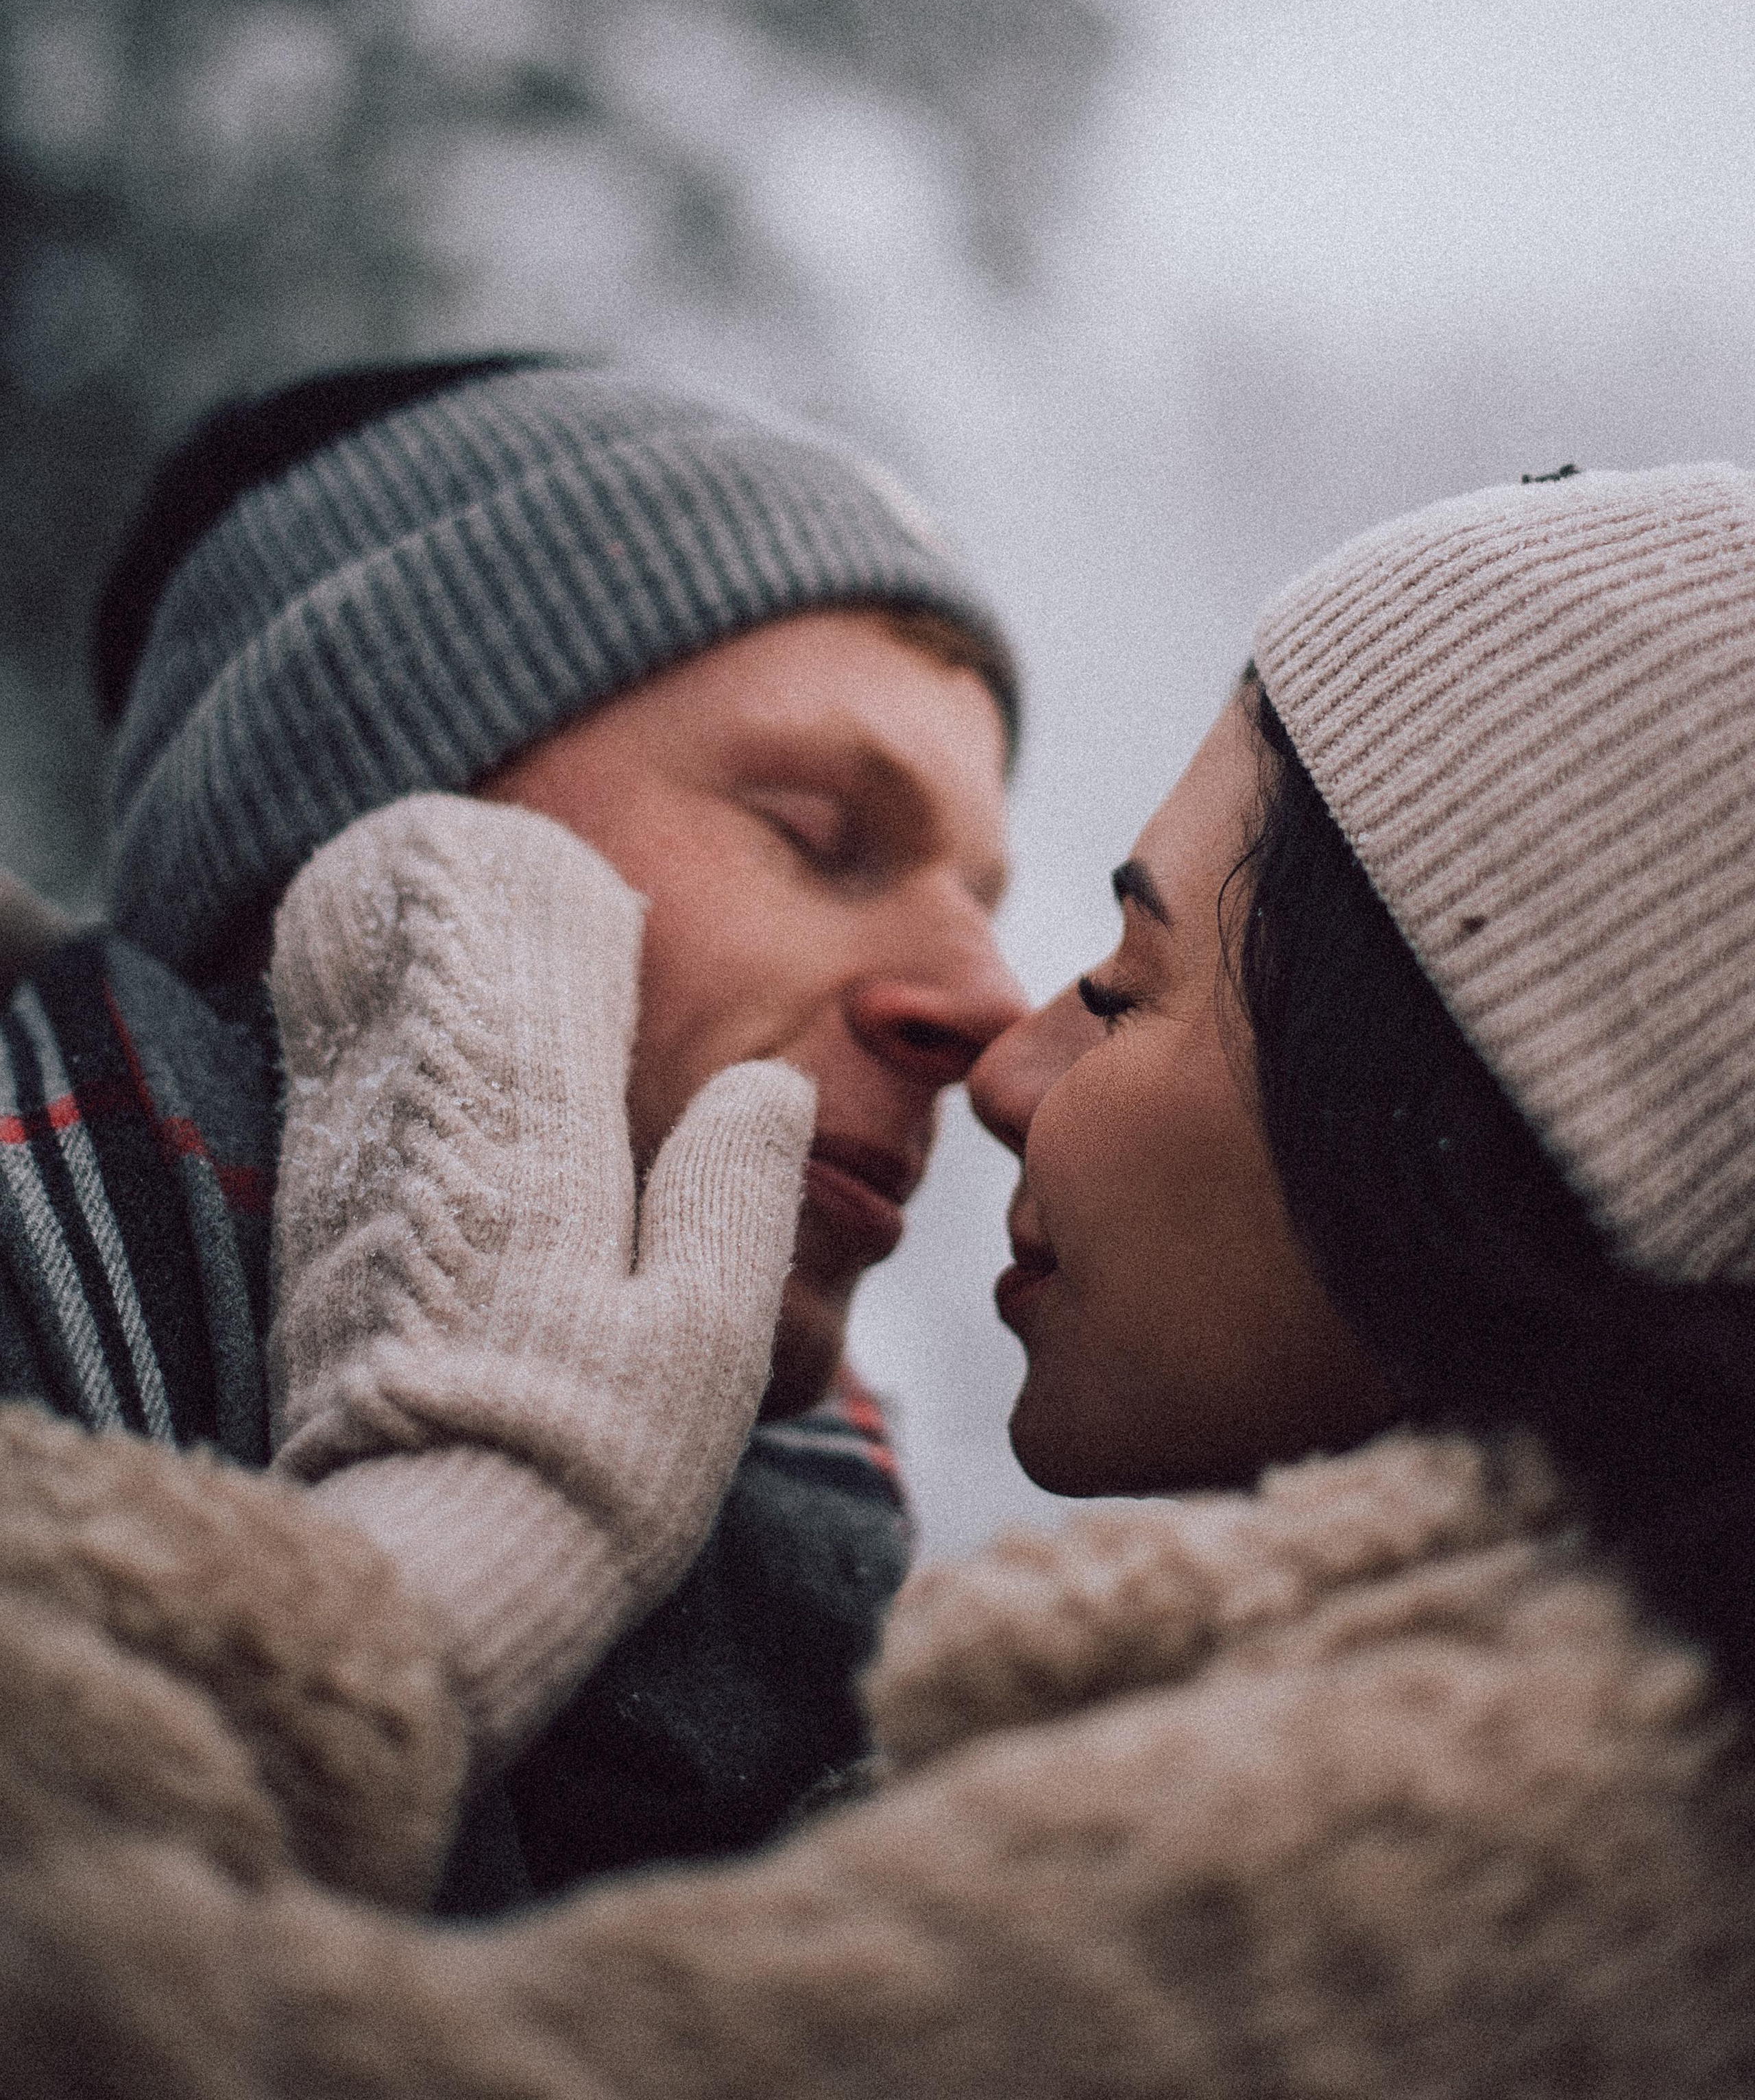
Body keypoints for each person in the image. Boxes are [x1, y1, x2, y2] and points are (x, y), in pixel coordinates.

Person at [7, 457, 1755, 2100]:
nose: (994, 1035)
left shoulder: (1415, 1862)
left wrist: (470, 1520)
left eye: (1127, 981)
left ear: (1436, 1090)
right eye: (817, 832)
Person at [0, 352, 1025, 1907]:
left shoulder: (889, 1717)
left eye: (984, 898)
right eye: (823, 836)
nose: (991, 1002)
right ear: (367, 828)